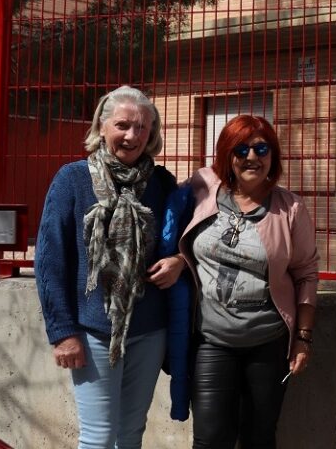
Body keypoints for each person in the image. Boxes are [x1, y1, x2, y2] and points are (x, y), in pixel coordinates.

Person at [34, 86, 180, 449]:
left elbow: (184, 241)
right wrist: (62, 332)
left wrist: (180, 261)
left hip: (149, 330)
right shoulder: (72, 179)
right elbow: (50, 261)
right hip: (94, 330)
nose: (132, 136)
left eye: (142, 127)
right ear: (102, 126)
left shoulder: (161, 183)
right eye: (123, 125)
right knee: (98, 437)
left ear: (152, 133)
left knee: (131, 434)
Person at [174, 114, 320, 448]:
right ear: (227, 154)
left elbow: (307, 274)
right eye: (241, 149)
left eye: (261, 148)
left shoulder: (291, 208)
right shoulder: (202, 188)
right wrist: (175, 259)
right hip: (212, 340)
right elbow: (171, 225)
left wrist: (303, 338)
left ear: (273, 156)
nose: (252, 157)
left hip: (267, 342)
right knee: (210, 439)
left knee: (258, 438)